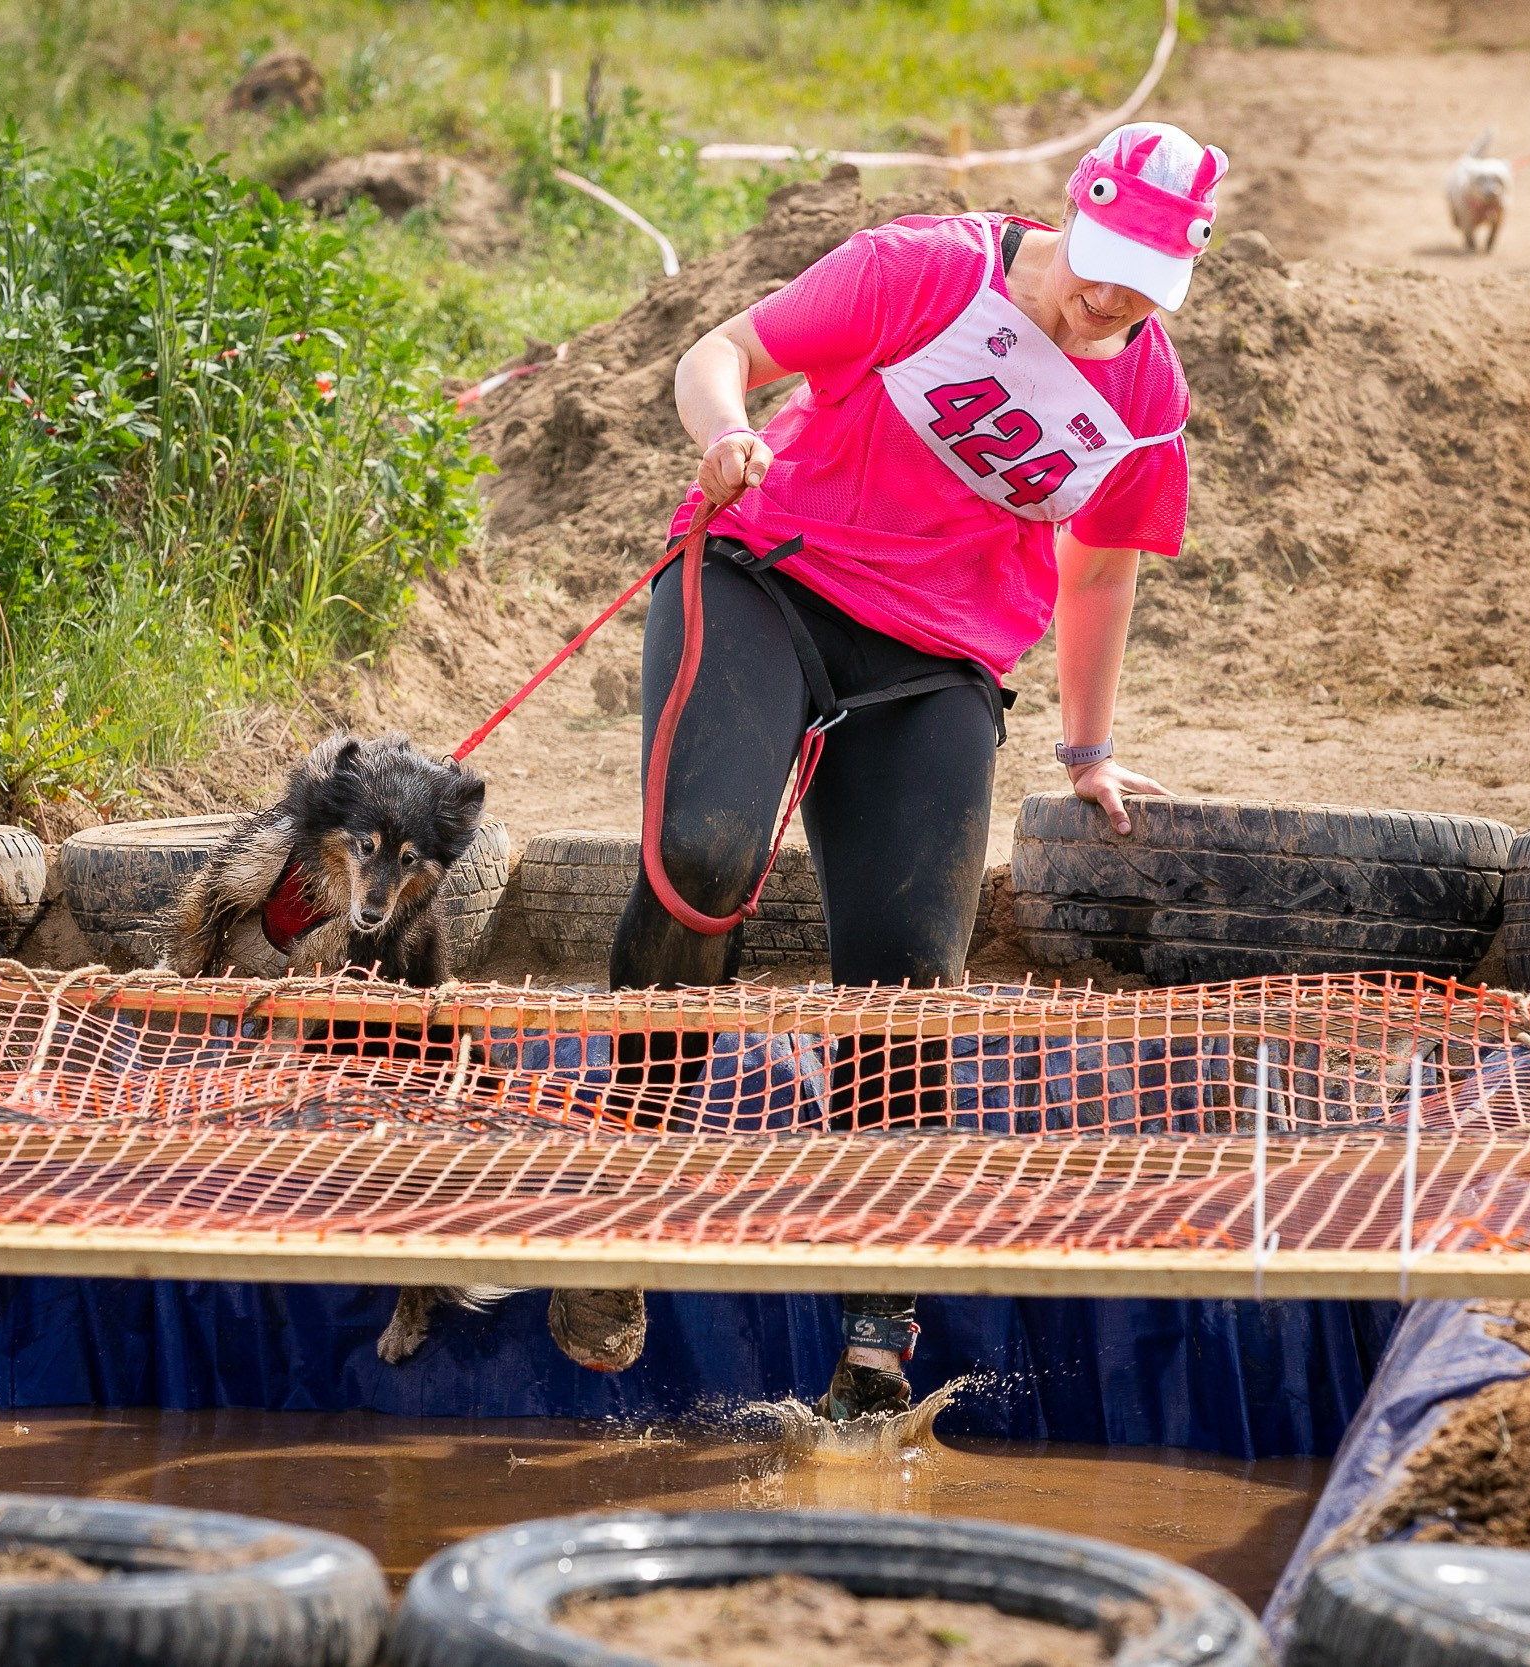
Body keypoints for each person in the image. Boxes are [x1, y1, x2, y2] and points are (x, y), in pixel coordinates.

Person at [567, 122, 1220, 1419]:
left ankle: (874, 1334)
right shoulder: (923, 268)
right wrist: (722, 430)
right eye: (1101, 265)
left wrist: (1086, 747)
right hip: (766, 576)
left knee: (911, 981)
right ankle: (619, 1206)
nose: (1110, 300)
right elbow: (724, 353)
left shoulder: (1146, 394)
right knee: (704, 859)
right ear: (1072, 215)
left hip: (937, 659)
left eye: (1145, 283)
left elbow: (1100, 565)